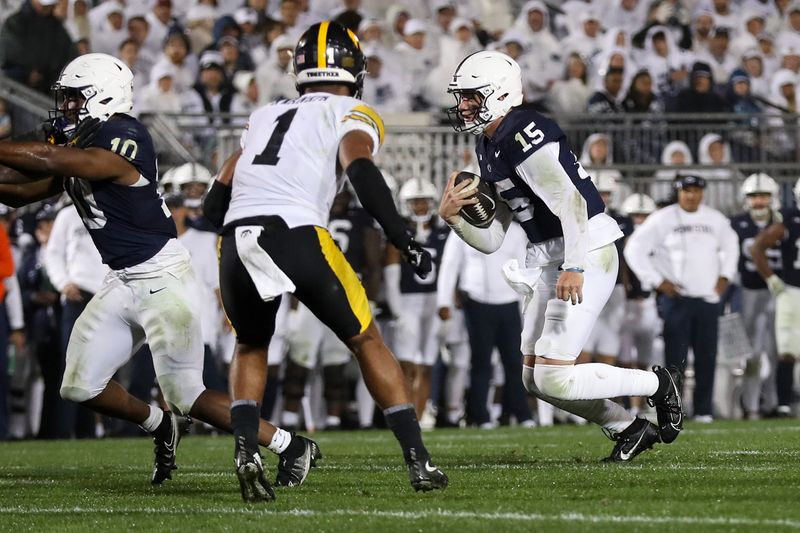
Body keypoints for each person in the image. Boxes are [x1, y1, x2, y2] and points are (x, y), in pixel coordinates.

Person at [0, 53, 318, 494]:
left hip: (163, 280)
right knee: (79, 385)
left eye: (74, 98)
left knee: (187, 392)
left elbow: (51, 163)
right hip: (122, 281)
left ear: (102, 97)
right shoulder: (84, 144)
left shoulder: (124, 134)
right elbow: (25, 190)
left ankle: (290, 444)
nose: (67, 108)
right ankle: (159, 425)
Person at [205, 22, 447, 500]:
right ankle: (419, 460)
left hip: (237, 235)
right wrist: (400, 235)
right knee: (365, 339)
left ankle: (245, 448)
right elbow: (358, 165)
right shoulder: (351, 110)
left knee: (252, 345)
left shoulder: (264, 113)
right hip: (296, 231)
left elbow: (219, 193)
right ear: (353, 69)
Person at [439, 50, 683, 462]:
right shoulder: (490, 143)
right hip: (549, 254)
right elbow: (494, 238)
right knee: (535, 380)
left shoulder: (522, 130)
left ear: (498, 95)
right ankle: (630, 427)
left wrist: (574, 266)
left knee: (553, 377)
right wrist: (454, 220)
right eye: (461, 97)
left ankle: (658, 385)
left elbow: (571, 202)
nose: (463, 106)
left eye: (471, 96)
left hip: (585, 248)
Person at [625, 175, 739, 422]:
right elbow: (633, 249)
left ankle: (704, 410)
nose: (691, 195)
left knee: (707, 356)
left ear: (702, 193)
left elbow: (732, 246)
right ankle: (673, 411)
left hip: (708, 298)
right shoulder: (662, 218)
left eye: (696, 190)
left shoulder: (715, 218)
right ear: (678, 193)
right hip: (676, 298)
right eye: (686, 191)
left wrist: (725, 277)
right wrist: (657, 281)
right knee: (674, 359)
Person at [730, 173, 782, 419]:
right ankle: (751, 406)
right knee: (751, 354)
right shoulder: (737, 223)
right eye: (754, 196)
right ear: (745, 199)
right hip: (748, 292)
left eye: (764, 196)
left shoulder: (784, 223)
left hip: (780, 294)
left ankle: (774, 402)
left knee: (777, 350)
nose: (759, 202)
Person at [750, 178, 800, 417]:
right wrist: (771, 278)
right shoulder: (790, 219)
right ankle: (783, 403)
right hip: (791, 291)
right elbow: (757, 246)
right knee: (787, 350)